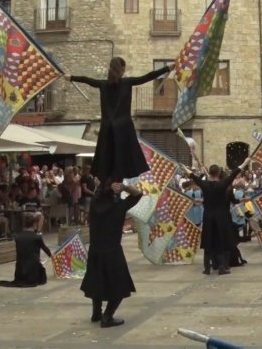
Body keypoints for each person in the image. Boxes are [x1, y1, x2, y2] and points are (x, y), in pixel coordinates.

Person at [70, 57, 171, 183]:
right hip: (123, 127)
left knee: (107, 158)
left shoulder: (103, 84)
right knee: (125, 158)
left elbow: (86, 80)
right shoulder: (127, 82)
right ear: (122, 69)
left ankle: (107, 182)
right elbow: (148, 77)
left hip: (107, 128)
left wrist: (71, 77)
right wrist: (167, 68)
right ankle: (117, 183)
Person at [81, 181, 143, 328]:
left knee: (97, 281)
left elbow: (99, 192)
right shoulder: (118, 206)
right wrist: (125, 187)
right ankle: (107, 317)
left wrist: (105, 186)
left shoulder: (95, 205)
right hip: (112, 250)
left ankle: (96, 313)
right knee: (120, 285)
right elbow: (138, 194)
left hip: (95, 249)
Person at [187, 158, 251, 276]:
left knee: (208, 241)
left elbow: (192, 176)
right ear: (218, 173)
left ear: (210, 173)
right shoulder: (223, 184)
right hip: (222, 217)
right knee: (222, 241)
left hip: (208, 217)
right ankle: (223, 267)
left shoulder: (204, 184)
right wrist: (245, 162)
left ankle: (207, 268)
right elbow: (234, 173)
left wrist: (184, 168)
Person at [6, 213, 52, 287]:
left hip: (20, 270)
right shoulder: (37, 237)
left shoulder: (17, 237)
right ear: (34, 224)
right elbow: (45, 249)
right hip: (32, 271)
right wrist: (52, 256)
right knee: (42, 276)